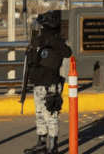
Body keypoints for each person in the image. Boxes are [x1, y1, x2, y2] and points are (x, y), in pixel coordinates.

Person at [24, 11, 72, 154]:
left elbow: (67, 52)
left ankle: (53, 147)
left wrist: (50, 42)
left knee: (51, 116)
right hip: (38, 83)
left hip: (51, 84)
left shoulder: (57, 41)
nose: (42, 27)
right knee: (39, 114)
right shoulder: (40, 39)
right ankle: (42, 143)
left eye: (44, 24)